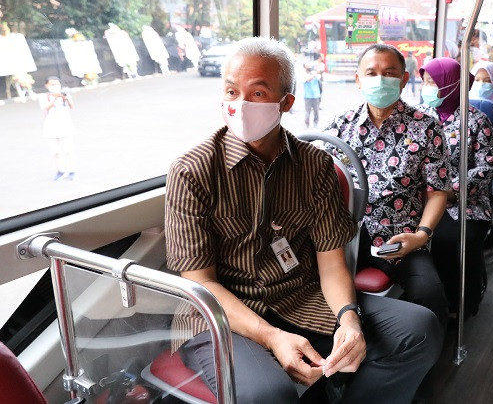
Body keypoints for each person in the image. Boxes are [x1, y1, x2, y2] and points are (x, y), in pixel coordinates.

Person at [165, 37, 442, 404]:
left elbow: (330, 261)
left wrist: (348, 318)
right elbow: (201, 282)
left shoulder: (315, 165)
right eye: (232, 92)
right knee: (269, 394)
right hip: (220, 315)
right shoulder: (193, 171)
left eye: (258, 93)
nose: (240, 105)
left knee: (420, 329)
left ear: (287, 102)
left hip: (300, 296)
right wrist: (272, 337)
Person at [324, 44, 451, 330]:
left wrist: (421, 235)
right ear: (358, 79)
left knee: (429, 294)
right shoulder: (340, 125)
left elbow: (438, 191)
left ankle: (422, 358)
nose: (379, 80)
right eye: (371, 73)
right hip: (341, 235)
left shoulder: (427, 127)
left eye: (389, 73)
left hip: (399, 236)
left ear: (404, 80)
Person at [419, 57, 493, 316]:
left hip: (465, 202)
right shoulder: (419, 116)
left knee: (449, 240)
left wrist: (448, 191)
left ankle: (460, 304)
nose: (427, 88)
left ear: (451, 85)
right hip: (420, 198)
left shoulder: (477, 121)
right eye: (425, 82)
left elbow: (486, 167)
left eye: (433, 82)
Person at [40, 76, 77, 181]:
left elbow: (72, 107)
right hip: (51, 128)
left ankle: (72, 170)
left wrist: (65, 98)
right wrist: (55, 98)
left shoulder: (65, 94)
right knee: (55, 151)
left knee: (69, 150)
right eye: (52, 84)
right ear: (46, 85)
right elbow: (46, 108)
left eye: (57, 84)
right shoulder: (44, 97)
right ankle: (60, 171)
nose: (55, 86)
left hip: (66, 126)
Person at [302, 61, 322, 127]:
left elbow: (320, 77)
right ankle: (306, 123)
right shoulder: (303, 74)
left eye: (310, 66)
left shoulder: (315, 74)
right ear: (304, 68)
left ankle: (316, 122)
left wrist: (317, 71)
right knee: (307, 111)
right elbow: (308, 79)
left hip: (316, 95)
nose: (309, 67)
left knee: (316, 111)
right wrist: (314, 74)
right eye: (307, 66)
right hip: (307, 96)